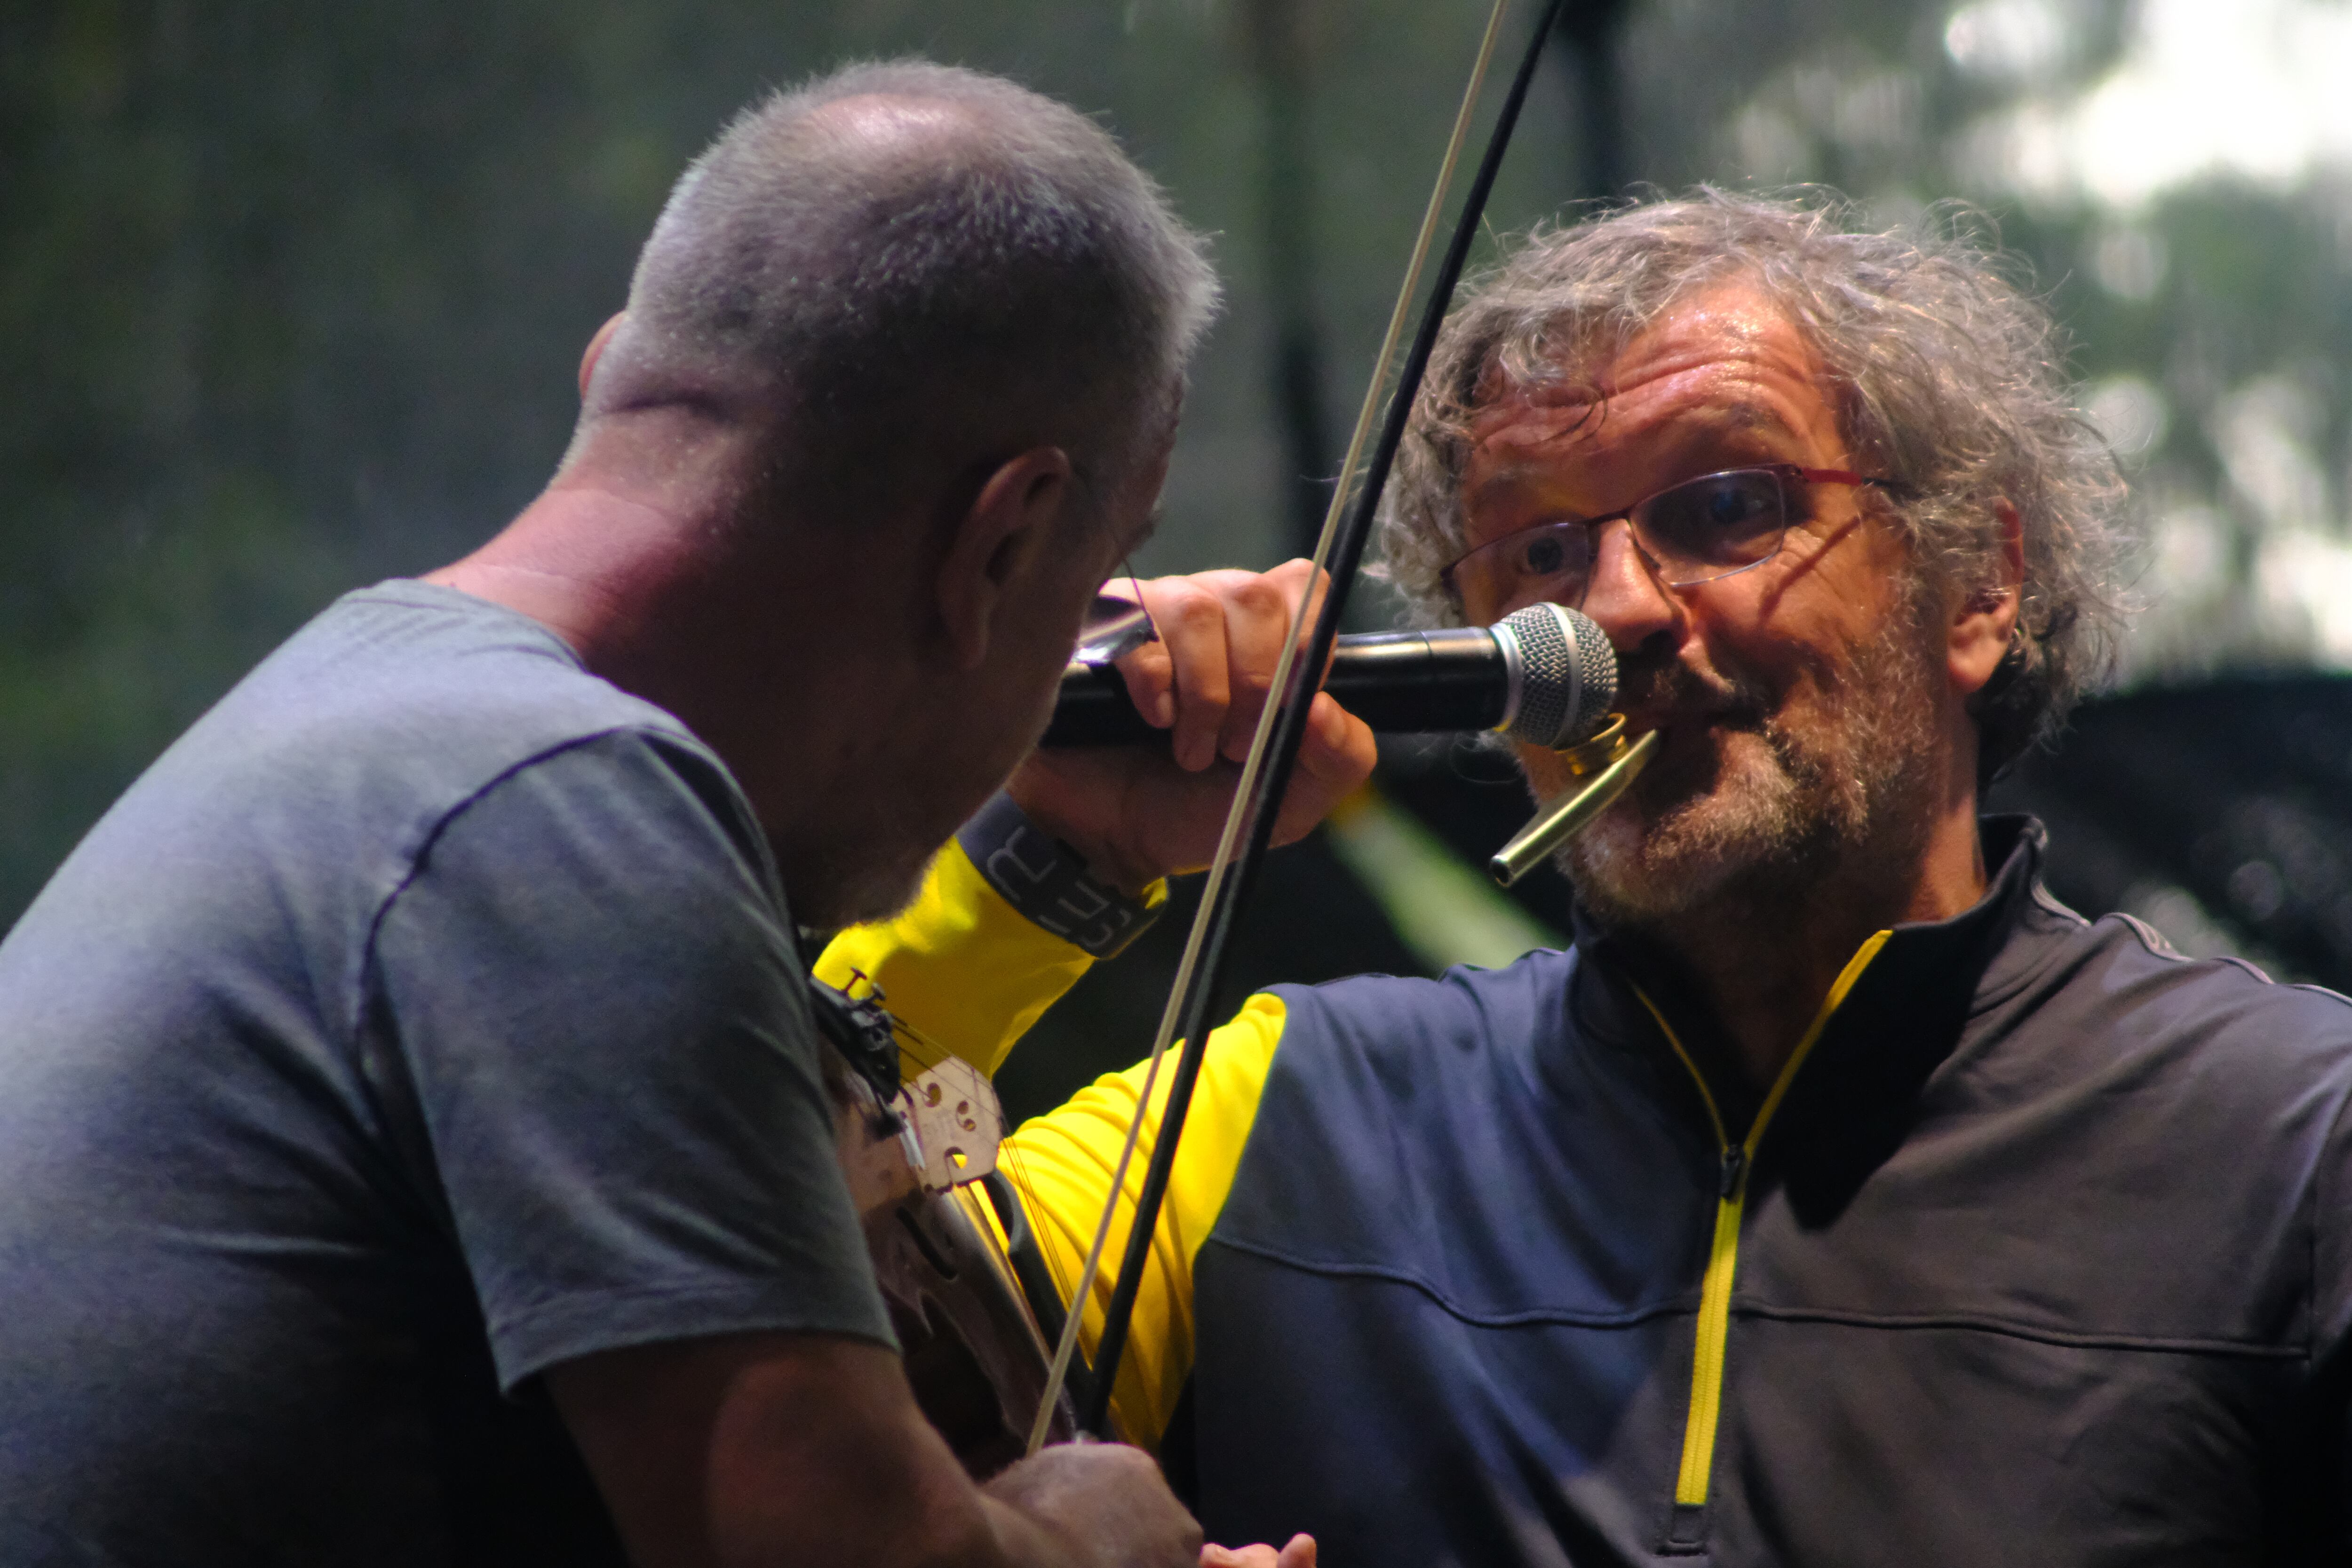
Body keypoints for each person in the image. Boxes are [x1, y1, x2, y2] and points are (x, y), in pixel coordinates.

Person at [820, 191, 2352, 1564]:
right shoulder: (1288, 1111)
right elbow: (740, 1283)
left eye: (1729, 505)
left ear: (1976, 584)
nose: (1612, 612)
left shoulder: (2290, 1140)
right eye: (1540, 553)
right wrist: (1051, 864)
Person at [0, 59, 1326, 1568]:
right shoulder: (556, 805)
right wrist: (1092, 1528)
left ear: (611, 372)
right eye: (1089, 577)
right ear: (1003, 544)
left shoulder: (375, 719)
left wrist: (1062, 858)